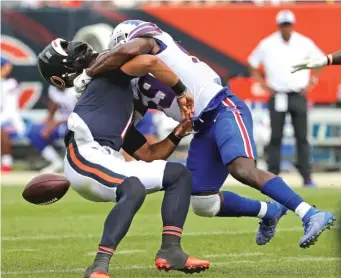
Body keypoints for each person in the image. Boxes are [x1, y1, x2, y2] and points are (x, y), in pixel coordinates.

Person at [74, 20, 335, 249]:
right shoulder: (132, 83)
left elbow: (132, 50)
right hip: (200, 126)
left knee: (242, 169)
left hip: (221, 106)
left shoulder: (141, 40)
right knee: (203, 202)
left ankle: (310, 213)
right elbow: (144, 150)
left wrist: (89, 72)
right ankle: (269, 211)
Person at [37, 38, 209, 278]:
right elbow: (149, 60)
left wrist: (178, 132)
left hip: (107, 158)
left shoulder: (109, 97)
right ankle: (98, 264)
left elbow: (150, 155)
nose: (78, 46)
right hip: (84, 154)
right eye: (70, 49)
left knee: (178, 175)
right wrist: (181, 91)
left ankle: (171, 251)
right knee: (133, 187)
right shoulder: (104, 76)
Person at [248, 10, 325, 187]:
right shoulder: (268, 43)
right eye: (283, 25)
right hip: (278, 94)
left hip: (298, 93)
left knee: (302, 136)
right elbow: (252, 63)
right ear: (279, 26)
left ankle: (306, 175)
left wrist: (312, 81)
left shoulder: (303, 42)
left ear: (293, 25)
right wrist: (263, 84)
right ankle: (272, 175)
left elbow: (320, 60)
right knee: (275, 136)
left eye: (288, 24)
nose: (286, 28)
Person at [28, 86, 77, 173]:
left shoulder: (75, 90)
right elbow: (54, 105)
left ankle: (78, 164)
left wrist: (54, 124)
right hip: (61, 122)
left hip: (76, 124)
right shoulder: (53, 87)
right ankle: (56, 162)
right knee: (34, 132)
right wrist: (49, 120)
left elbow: (79, 114)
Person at [0, 57, 26, 172]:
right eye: (6, 66)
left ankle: (7, 164)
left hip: (12, 121)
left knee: (3, 131)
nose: (8, 68)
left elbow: (9, 110)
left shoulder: (11, 83)